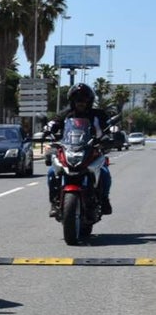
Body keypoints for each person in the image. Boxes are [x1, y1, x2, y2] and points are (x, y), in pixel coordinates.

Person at [44, 82, 113, 217]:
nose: (81, 103)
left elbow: (109, 127)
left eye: (84, 100)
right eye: (77, 100)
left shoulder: (98, 115)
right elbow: (54, 123)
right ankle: (54, 202)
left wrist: (110, 135)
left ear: (89, 101)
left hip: (92, 150)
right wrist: (47, 129)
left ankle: (104, 199)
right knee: (52, 172)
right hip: (68, 149)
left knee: (104, 172)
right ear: (72, 101)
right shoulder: (66, 114)